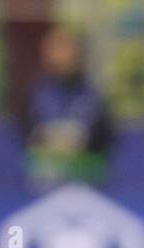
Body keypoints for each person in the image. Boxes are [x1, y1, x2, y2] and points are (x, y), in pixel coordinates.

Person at [19, 27, 114, 188]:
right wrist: (47, 137)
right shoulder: (36, 94)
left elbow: (107, 138)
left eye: (65, 48)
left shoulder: (94, 95)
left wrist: (81, 140)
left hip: (87, 181)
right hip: (43, 181)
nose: (59, 55)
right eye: (54, 48)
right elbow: (26, 132)